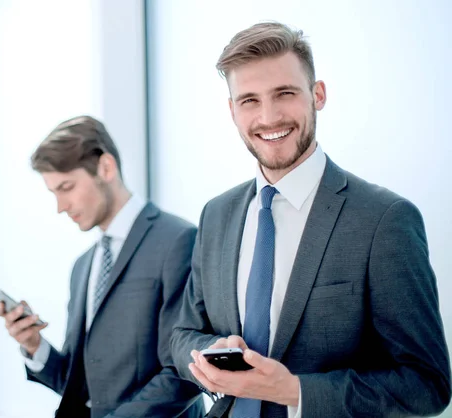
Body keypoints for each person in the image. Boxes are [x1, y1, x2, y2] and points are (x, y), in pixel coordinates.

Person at [170, 22, 451, 418]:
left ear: (317, 95)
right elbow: (182, 334)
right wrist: (208, 357)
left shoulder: (384, 221)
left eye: (284, 94)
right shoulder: (217, 214)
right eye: (249, 100)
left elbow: (427, 385)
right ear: (232, 110)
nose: (268, 117)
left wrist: (295, 391)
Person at [0, 115, 205, 418]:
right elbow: (81, 384)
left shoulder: (178, 240)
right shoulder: (83, 267)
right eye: (53, 193)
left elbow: (183, 372)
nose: (60, 206)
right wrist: (34, 345)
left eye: (66, 187)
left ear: (106, 168)